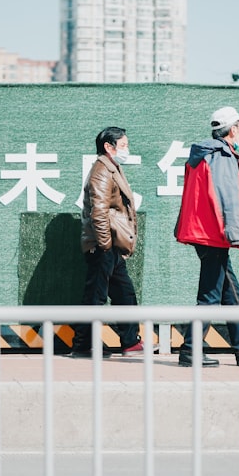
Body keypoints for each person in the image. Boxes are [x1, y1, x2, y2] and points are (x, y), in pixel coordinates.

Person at [173, 106, 239, 368]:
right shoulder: (222, 155)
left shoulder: (203, 154)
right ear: (233, 129)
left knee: (230, 292)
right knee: (209, 296)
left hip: (203, 232)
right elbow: (228, 200)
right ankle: (190, 351)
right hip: (214, 235)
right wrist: (237, 238)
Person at [70, 126, 145, 358]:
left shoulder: (112, 168)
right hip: (104, 245)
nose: (127, 149)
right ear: (108, 147)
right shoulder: (102, 170)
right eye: (123, 145)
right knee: (96, 296)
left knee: (124, 293)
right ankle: (83, 344)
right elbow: (99, 211)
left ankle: (130, 342)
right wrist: (104, 245)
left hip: (111, 245)